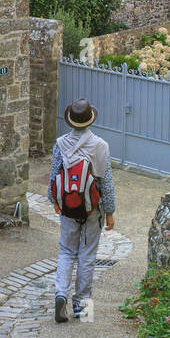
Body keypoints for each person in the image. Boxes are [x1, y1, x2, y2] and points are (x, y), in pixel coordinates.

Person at [49, 98, 116, 323]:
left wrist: (55, 202)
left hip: (68, 207)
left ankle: (60, 294)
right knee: (87, 257)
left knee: (66, 252)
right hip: (92, 209)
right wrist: (110, 212)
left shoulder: (60, 144)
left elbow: (53, 178)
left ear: (71, 121)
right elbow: (106, 183)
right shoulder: (100, 146)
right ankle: (81, 306)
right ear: (90, 119)